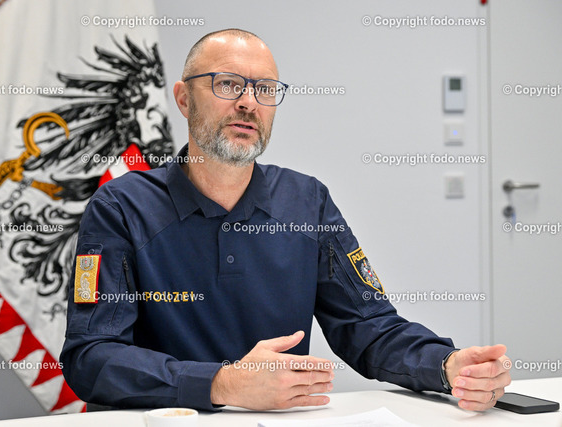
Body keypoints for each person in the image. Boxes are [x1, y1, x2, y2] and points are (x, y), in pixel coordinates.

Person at [60, 28, 511, 412]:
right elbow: (90, 357)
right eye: (227, 84)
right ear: (183, 98)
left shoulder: (306, 201)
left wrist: (447, 366)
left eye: (265, 89)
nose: (248, 103)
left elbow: (367, 326)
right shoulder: (121, 206)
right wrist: (223, 384)